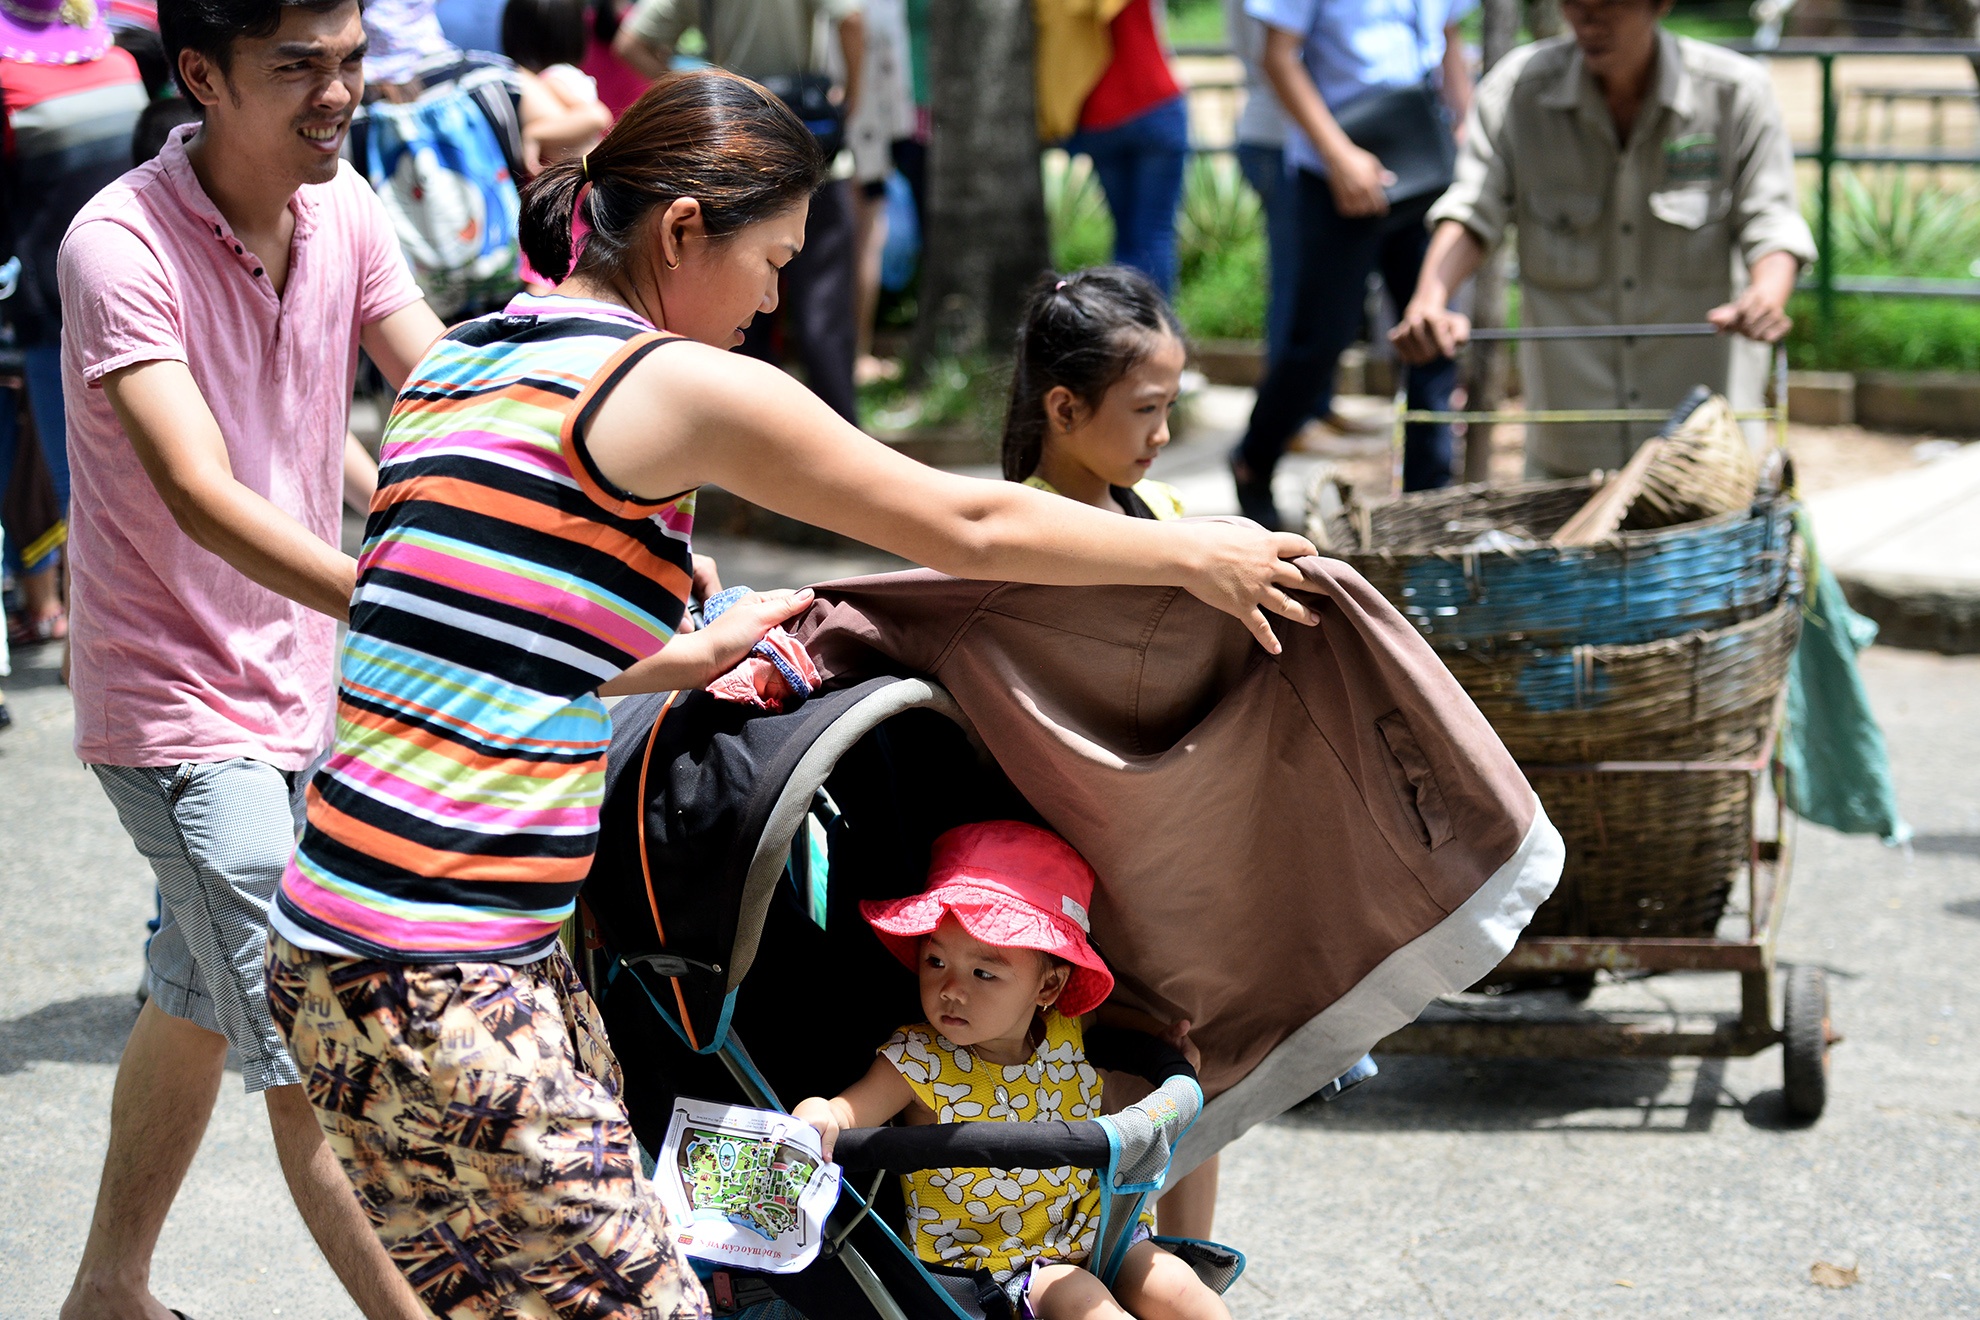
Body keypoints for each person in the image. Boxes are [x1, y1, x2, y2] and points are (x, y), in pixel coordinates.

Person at [264, 68, 1317, 1317]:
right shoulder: (670, 385)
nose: (774, 303)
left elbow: (461, 641)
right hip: (451, 970)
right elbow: (963, 518)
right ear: (680, 232)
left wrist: (679, 659)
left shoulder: (459, 364)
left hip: (329, 959)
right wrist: (1194, 550)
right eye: (772, 261)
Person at [53, 0, 446, 1313]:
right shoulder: (117, 247)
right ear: (203, 77)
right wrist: (388, 597)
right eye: (299, 70)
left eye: (350, 61)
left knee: (197, 988)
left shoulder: (348, 211)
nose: (340, 94)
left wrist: (580, 530)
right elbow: (198, 489)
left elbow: (440, 402)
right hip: (177, 704)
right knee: (321, 1047)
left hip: (304, 685)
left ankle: (109, 1291)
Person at [794, 820, 1231, 1320]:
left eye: (983, 973)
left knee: (1187, 1293)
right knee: (1088, 1305)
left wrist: (1158, 1038)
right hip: (1006, 1262)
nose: (951, 989)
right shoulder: (917, 1059)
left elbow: (1104, 1017)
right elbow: (850, 1110)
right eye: (935, 961)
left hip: (1096, 1222)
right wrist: (821, 1113)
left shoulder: (1066, 1028)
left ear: (1046, 989)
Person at [1389, 0, 1814, 478]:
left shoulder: (1735, 94)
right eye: (1573, 2)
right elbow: (1471, 209)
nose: (1588, 20)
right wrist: (1430, 298)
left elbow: (1773, 219)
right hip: (1569, 451)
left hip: (1706, 452)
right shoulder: (1517, 94)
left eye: (1608, 3)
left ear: (1660, 4)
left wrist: (1766, 294)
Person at [1231, 0, 1476, 525]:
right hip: (1337, 172)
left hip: (1424, 160)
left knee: (1432, 331)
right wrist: (1338, 155)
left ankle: (1426, 508)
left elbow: (1450, 38)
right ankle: (1254, 459)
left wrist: (1466, 132)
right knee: (1321, 340)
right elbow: (1278, 56)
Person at [613, 0, 867, 422]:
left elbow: (632, 42)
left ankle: (742, 447)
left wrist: (707, 98)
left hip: (733, 160)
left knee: (742, 325)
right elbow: (852, 20)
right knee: (823, 318)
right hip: (814, 152)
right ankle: (845, 451)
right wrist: (848, 101)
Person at [1, 0, 148, 645]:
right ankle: (105, 648)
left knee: (166, 464)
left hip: (150, 287)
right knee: (77, 483)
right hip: (49, 302)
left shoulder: (122, 39)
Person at [1037, 0, 1189, 297]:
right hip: (1155, 105)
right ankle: (1152, 337)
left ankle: (1122, 333)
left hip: (1099, 119)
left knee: (1127, 241)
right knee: (1154, 237)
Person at [1223, 0, 1298, 364]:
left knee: (1300, 280)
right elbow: (1278, 57)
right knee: (1294, 282)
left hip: (1270, 133)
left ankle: (1312, 406)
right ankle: (1294, 412)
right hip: (1279, 138)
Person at [503, 0, 612, 172]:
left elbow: (597, 116)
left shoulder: (552, 78)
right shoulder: (568, 74)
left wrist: (533, 134)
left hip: (578, 173)